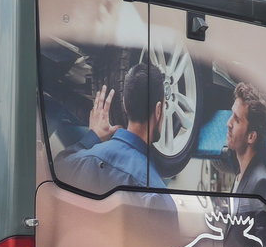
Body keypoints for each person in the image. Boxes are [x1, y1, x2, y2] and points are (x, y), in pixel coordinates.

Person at [54, 61, 177, 223]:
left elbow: (58, 167)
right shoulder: (157, 198)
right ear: (159, 110)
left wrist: (92, 137)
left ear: (125, 104)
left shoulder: (79, 162)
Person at [223, 81, 266, 247]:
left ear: (251, 137)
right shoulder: (242, 175)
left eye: (237, 120)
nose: (228, 123)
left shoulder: (260, 184)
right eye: (232, 115)